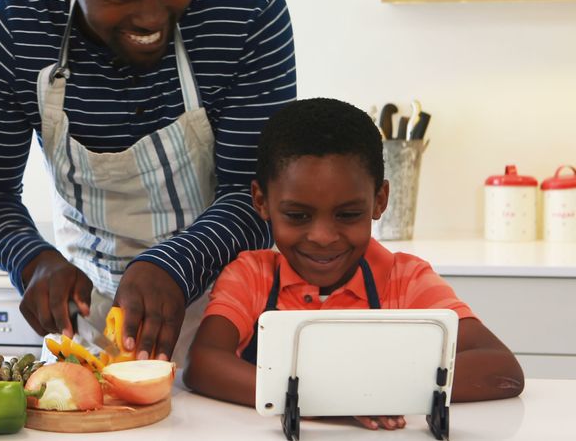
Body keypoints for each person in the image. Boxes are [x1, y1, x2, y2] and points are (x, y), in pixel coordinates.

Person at [0, 0, 297, 365]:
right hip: (87, 326)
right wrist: (31, 260)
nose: (151, 16)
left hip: (230, 322)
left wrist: (172, 265)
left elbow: (258, 198)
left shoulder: (247, 9)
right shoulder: (13, 27)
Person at [184, 98, 524, 430]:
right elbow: (203, 364)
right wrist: (324, 402)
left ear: (379, 200)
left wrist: (375, 392)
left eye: (348, 215)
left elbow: (501, 368)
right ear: (261, 201)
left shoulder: (405, 279)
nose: (322, 236)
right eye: (298, 215)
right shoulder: (252, 275)